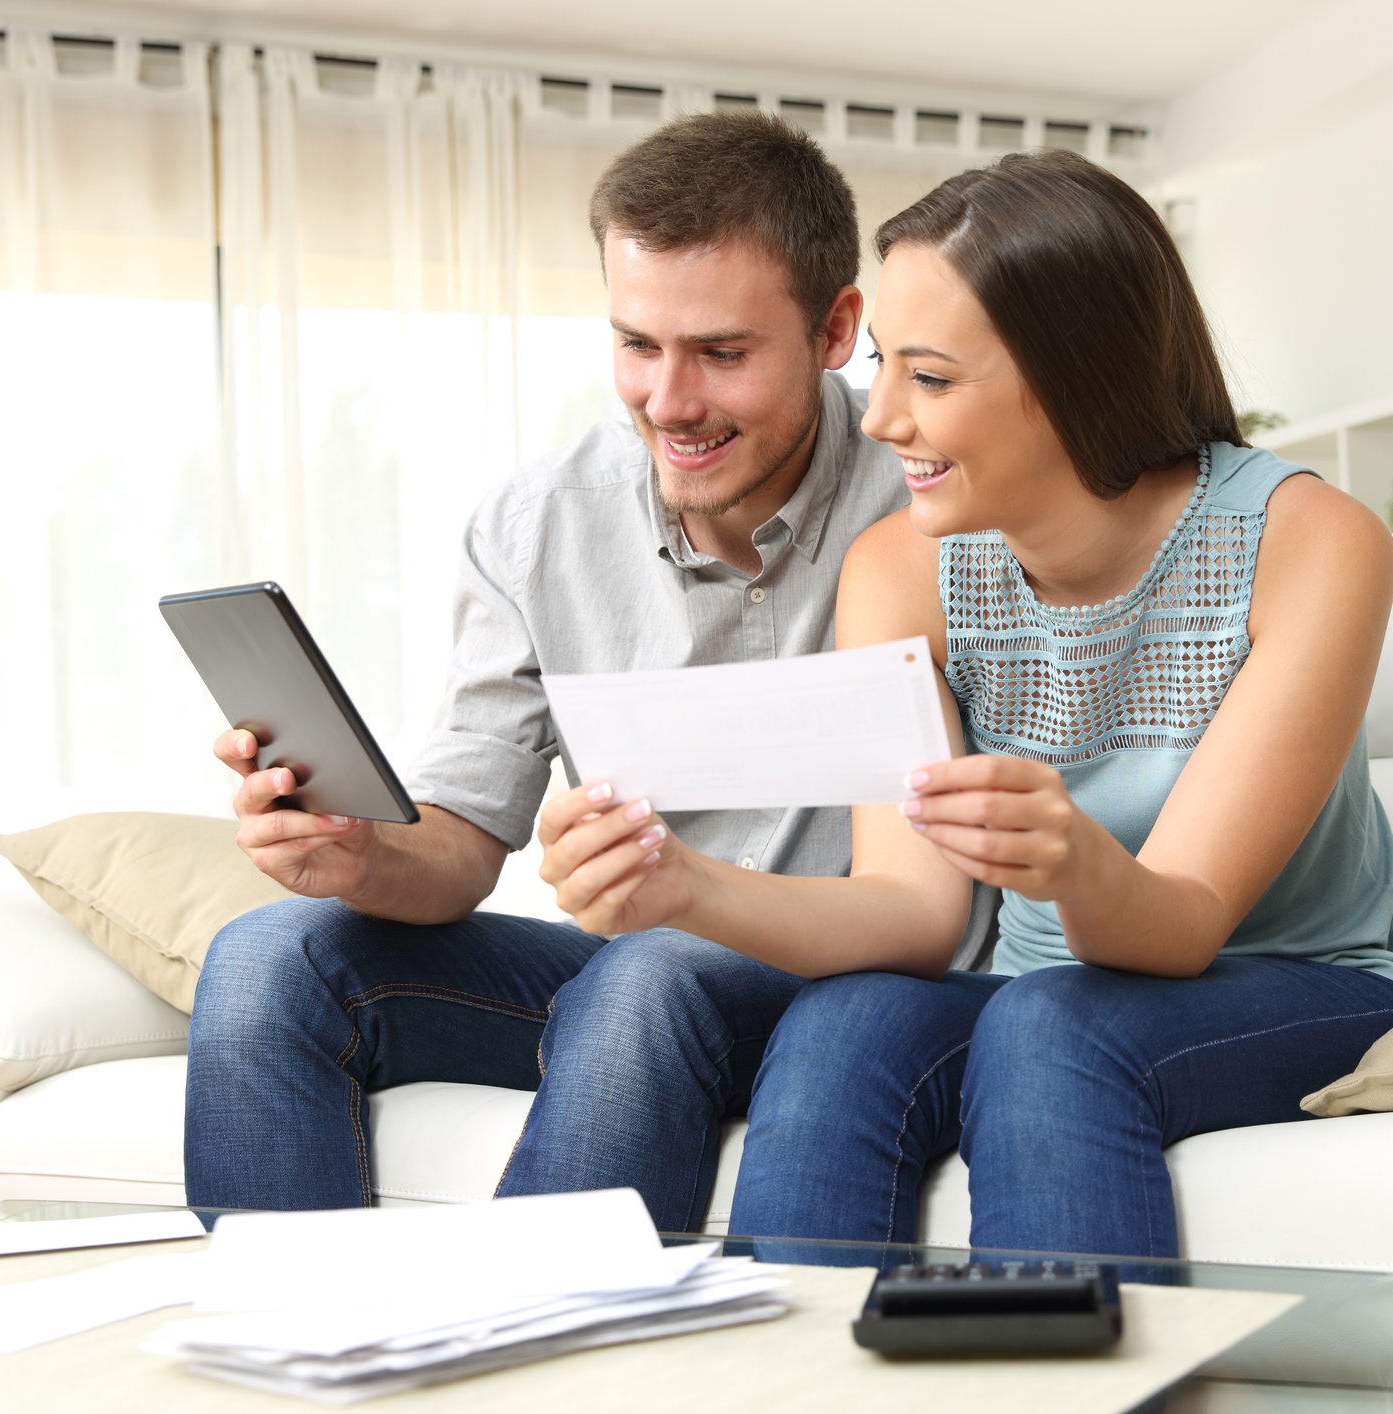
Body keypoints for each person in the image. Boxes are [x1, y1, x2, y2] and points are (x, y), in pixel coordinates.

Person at [538, 148, 1393, 1258]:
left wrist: (1073, 864)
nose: (877, 419)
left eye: (931, 377)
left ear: (1075, 374)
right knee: (845, 1023)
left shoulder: (1309, 543)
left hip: (1302, 982)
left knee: (1052, 1022)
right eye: (882, 367)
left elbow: (1186, 919)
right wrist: (683, 884)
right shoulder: (903, 569)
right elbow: (913, 913)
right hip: (1039, 996)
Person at [183, 111, 991, 1226]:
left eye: (721, 352)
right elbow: (460, 845)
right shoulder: (534, 525)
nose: (669, 402)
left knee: (647, 969)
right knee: (270, 956)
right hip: (637, 982)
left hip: (850, 984)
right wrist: (359, 852)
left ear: (836, 328)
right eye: (636, 345)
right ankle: (296, 1361)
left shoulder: (937, 496)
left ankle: (535, 1357)